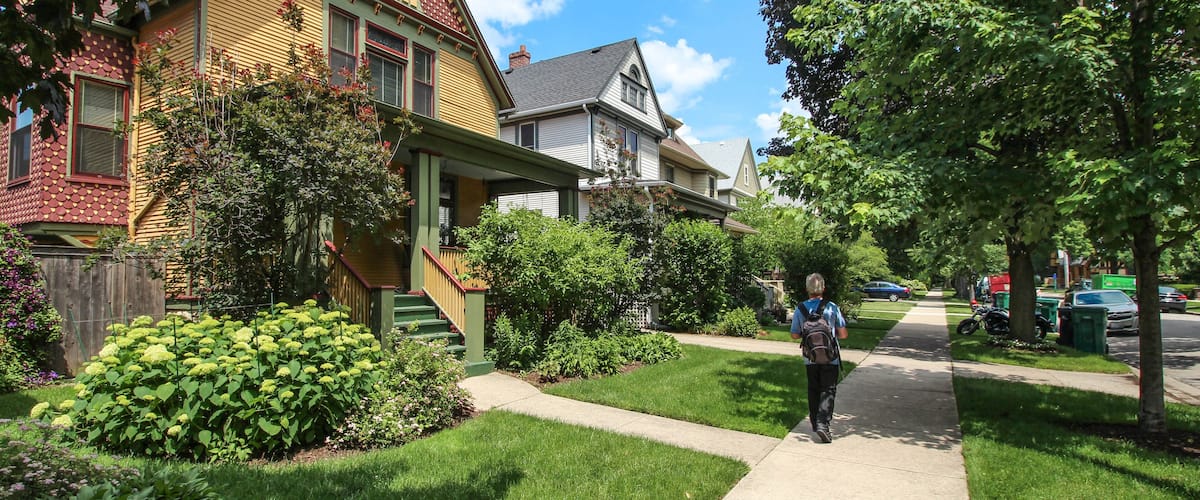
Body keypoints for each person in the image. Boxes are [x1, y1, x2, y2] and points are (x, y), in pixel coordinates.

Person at [790, 273, 849, 443]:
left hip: (811, 358)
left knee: (813, 388)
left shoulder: (800, 308)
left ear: (807, 289)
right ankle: (823, 423)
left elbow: (794, 335)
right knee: (828, 389)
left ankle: (816, 422)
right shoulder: (832, 307)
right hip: (831, 358)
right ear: (823, 288)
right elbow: (843, 334)